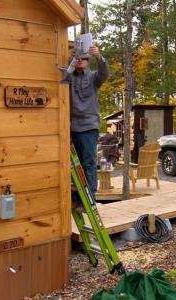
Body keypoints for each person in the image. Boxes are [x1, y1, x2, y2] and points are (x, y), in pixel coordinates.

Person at [70, 45, 109, 195]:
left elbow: (104, 74)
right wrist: (70, 58)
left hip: (89, 127)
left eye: (84, 58)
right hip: (73, 127)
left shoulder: (93, 77)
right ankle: (80, 195)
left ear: (88, 61)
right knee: (75, 164)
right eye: (78, 57)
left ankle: (91, 194)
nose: (81, 60)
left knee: (88, 162)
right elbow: (62, 76)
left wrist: (98, 56)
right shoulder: (70, 77)